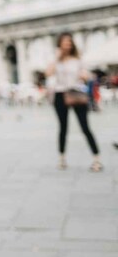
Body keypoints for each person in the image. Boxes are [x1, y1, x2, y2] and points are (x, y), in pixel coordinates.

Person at [46, 32, 102, 172]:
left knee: (85, 127)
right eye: (65, 42)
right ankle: (62, 158)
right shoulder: (56, 60)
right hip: (60, 94)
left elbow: (86, 75)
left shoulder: (78, 59)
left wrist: (84, 76)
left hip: (76, 93)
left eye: (69, 42)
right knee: (63, 128)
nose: (67, 45)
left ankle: (96, 159)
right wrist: (56, 57)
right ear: (59, 44)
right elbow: (48, 73)